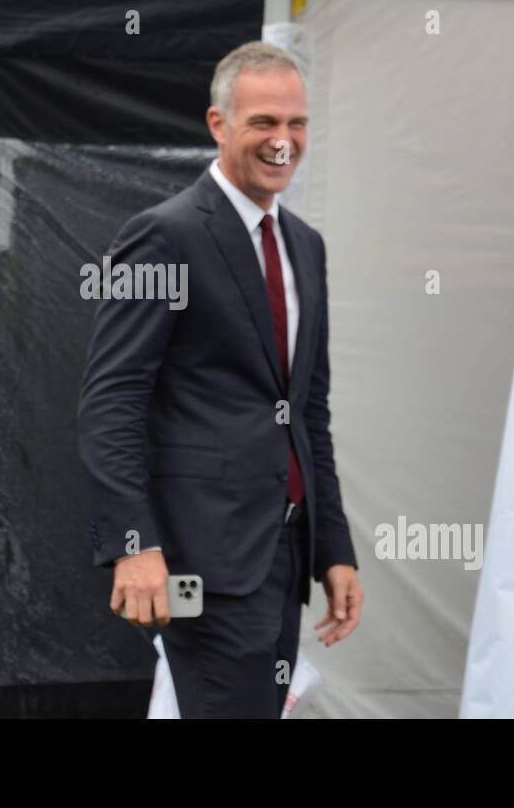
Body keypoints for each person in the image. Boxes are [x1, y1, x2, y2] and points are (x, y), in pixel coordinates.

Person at [78, 41, 364, 718]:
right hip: (194, 563)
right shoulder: (161, 237)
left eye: (296, 124)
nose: (283, 140)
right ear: (218, 125)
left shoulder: (305, 245)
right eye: (264, 122)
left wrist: (334, 550)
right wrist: (133, 543)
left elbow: (308, 411)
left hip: (285, 559)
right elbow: (110, 401)